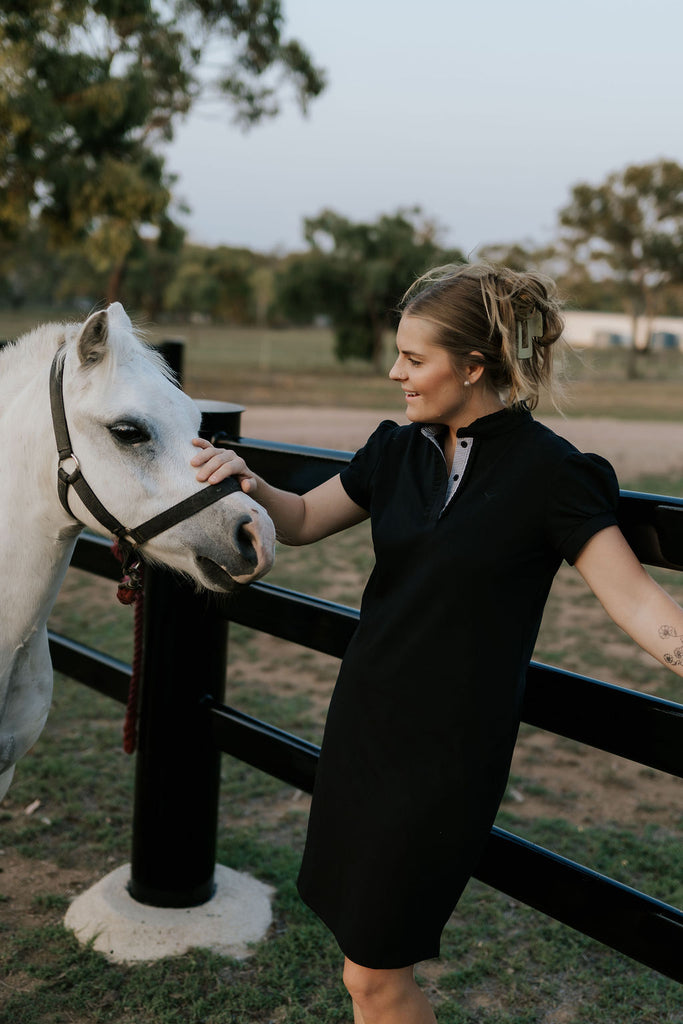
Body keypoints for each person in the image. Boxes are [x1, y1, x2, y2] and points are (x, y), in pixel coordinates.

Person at [191, 263, 683, 1024]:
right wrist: (246, 479)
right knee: (360, 959)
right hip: (362, 727)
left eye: (413, 359)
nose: (395, 373)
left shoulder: (554, 474)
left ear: (474, 365)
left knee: (374, 973)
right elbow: (301, 521)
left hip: (446, 755)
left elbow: (639, 605)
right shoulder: (395, 450)